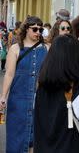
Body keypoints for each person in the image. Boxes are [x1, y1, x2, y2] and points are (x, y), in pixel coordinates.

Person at [0, 16, 49, 153]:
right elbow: (9, 74)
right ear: (26, 29)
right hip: (18, 99)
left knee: (37, 137)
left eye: (40, 29)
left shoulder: (47, 48)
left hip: (40, 100)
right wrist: (3, 96)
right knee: (16, 137)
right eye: (34, 29)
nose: (38, 32)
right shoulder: (15, 49)